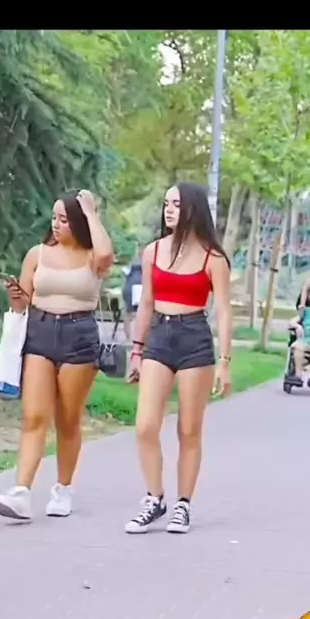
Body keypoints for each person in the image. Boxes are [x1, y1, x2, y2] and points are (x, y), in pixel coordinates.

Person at [0, 190, 113, 522]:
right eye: (54, 218)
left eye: (64, 219)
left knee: (68, 419)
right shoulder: (38, 254)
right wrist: (16, 296)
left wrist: (91, 212)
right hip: (40, 333)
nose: (56, 224)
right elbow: (24, 301)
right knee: (34, 416)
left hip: (78, 336)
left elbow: (106, 254)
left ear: (79, 223)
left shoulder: (92, 256)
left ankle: (63, 488)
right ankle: (21, 492)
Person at [125, 182, 232, 535]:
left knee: (188, 429)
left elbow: (224, 312)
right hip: (160, 336)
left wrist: (225, 362)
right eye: (166, 204)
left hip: (194, 339)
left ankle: (183, 504)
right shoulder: (153, 251)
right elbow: (146, 303)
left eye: (176, 204)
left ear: (192, 209)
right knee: (145, 425)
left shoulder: (213, 258)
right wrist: (136, 349)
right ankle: (154, 498)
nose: (169, 210)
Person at [121, 252, 142, 342]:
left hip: (129, 285)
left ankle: (129, 338)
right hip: (138, 286)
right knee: (135, 314)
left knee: (129, 313)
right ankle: (134, 339)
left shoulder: (132, 263)